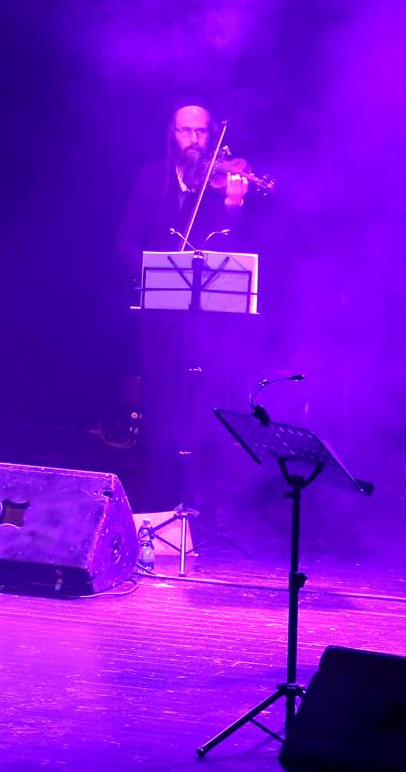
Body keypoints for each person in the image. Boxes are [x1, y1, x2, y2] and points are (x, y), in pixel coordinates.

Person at [105, 104, 266, 508]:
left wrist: (233, 208)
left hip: (208, 325)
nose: (193, 139)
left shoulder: (220, 184)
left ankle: (203, 505)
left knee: (205, 408)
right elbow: (125, 242)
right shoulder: (151, 176)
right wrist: (154, 272)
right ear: (171, 134)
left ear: (211, 137)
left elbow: (236, 251)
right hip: (160, 318)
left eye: (201, 132)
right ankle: (155, 503)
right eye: (185, 131)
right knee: (161, 407)